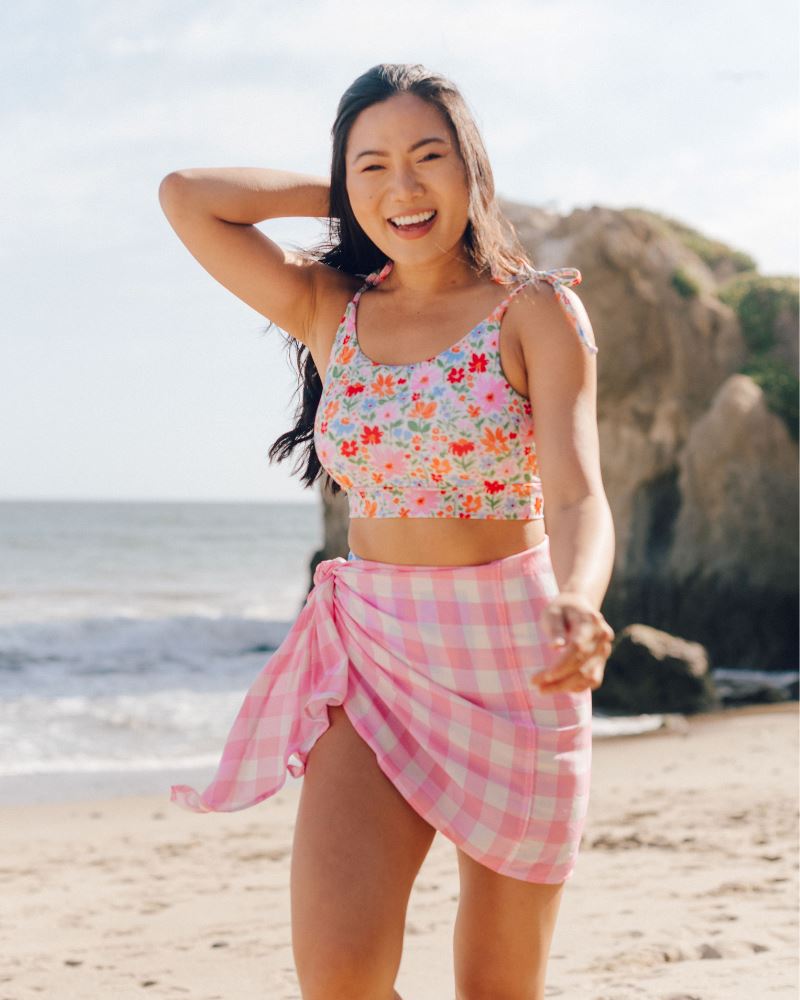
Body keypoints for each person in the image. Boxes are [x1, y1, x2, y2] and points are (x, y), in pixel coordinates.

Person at [159, 62, 616, 1000]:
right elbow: (188, 198)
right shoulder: (333, 307)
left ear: (471, 168)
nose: (404, 189)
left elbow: (575, 494)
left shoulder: (534, 311)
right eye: (375, 166)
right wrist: (350, 189)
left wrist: (579, 598)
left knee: (497, 988)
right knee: (340, 978)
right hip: (374, 652)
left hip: (517, 663)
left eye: (428, 159)